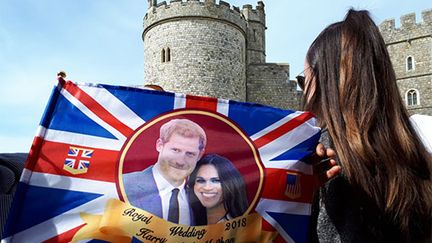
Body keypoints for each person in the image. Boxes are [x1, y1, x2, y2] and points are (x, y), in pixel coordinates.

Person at [296, 9, 432, 242]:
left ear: (324, 83)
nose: (303, 92)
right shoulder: (419, 155)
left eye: (303, 81)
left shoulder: (322, 156)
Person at [123, 119, 207, 225]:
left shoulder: (202, 198)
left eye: (190, 154)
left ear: (199, 155)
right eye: (175, 150)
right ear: (159, 145)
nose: (180, 161)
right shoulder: (123, 184)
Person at [188, 154, 249, 225]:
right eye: (201, 181)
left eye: (216, 181)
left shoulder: (242, 227)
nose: (207, 187)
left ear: (231, 184)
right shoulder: (188, 221)